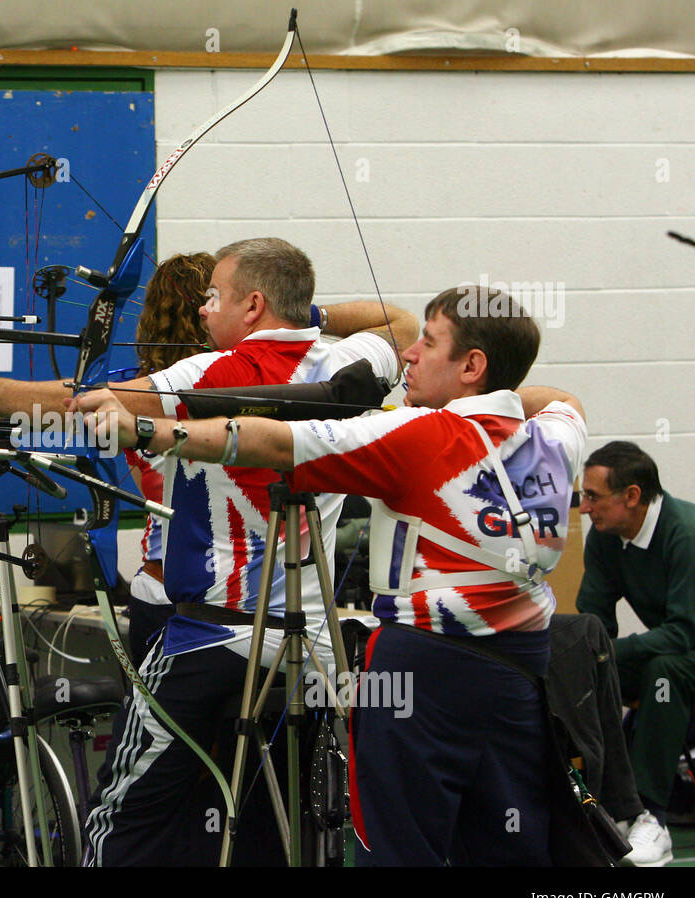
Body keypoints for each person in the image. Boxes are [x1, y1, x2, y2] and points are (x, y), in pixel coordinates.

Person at [0, 237, 418, 865]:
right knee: (273, 825)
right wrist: (312, 319)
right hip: (308, 651)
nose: (204, 312)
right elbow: (400, 321)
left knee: (123, 817)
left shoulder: (210, 373)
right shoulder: (343, 366)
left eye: (215, 298)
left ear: (254, 305)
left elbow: (81, 406)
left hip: (209, 643)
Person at [76, 283, 588, 866]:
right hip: (522, 672)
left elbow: (270, 439)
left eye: (430, 342)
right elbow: (562, 396)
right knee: (507, 844)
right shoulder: (558, 433)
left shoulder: (418, 436)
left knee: (399, 847)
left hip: (424, 672)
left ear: (473, 365)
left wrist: (148, 431)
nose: (412, 354)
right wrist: (495, 398)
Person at [576, 440, 695, 866]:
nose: (583, 508)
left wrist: (608, 652)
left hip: (694, 653)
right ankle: (609, 807)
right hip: (682, 654)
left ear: (631, 496)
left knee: (663, 673)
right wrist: (589, 657)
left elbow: (679, 635)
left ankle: (651, 815)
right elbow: (592, 624)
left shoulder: (686, 534)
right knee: (588, 666)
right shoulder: (606, 536)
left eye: (593, 497)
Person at [124, 251, 215, 670]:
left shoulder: (131, 398)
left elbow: (147, 483)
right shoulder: (230, 390)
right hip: (209, 596)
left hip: (156, 585)